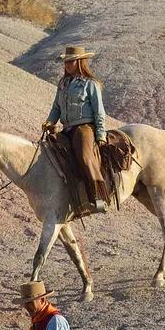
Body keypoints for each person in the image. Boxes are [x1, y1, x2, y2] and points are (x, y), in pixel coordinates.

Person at [42, 44, 109, 213]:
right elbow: (56, 108)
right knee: (49, 151)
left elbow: (99, 111)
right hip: (67, 128)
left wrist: (100, 135)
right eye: (66, 62)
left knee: (85, 156)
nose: (67, 65)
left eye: (70, 62)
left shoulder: (90, 84)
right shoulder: (63, 84)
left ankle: (97, 195)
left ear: (80, 62)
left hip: (85, 128)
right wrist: (50, 122)